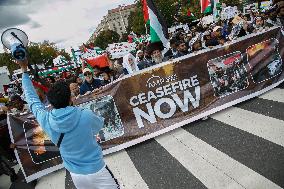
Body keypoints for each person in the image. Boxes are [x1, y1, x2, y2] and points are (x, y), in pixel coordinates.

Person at [17, 59, 119, 189]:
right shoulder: (85, 115)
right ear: (71, 98)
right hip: (98, 170)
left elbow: (31, 99)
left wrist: (24, 71)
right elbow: (99, 126)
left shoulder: (46, 119)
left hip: (76, 175)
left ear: (51, 103)